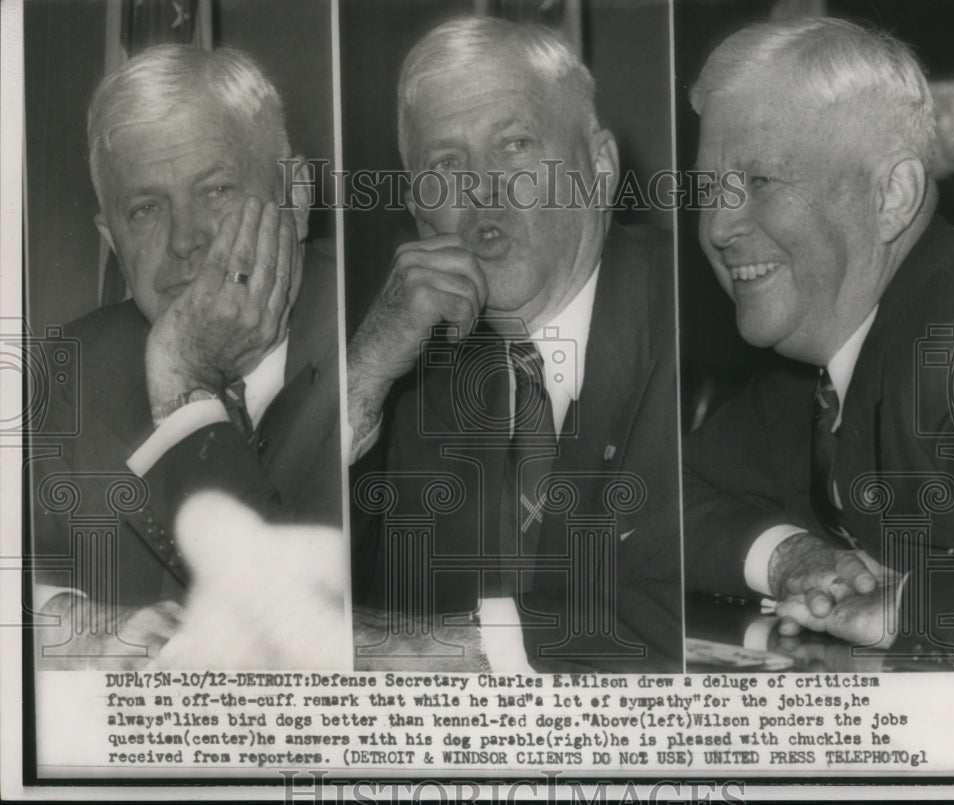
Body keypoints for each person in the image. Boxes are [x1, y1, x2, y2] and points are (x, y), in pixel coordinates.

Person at [347, 17, 681, 672]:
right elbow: (300, 600)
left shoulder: (695, 318)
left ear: (600, 168)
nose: (481, 187)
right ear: (419, 212)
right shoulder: (412, 375)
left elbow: (694, 608)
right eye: (446, 165)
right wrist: (360, 381)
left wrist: (458, 648)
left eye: (515, 145)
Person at [28, 45, 340, 667]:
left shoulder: (399, 352)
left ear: (297, 197)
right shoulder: (66, 372)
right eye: (145, 209)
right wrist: (67, 622)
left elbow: (309, 642)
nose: (184, 241)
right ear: (111, 239)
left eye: (217, 190)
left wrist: (182, 378)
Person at [683, 17, 954, 665]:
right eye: (708, 190)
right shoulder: (804, 379)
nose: (719, 227)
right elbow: (649, 495)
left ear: (891, 195)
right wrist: (792, 557)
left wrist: (912, 607)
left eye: (762, 181)